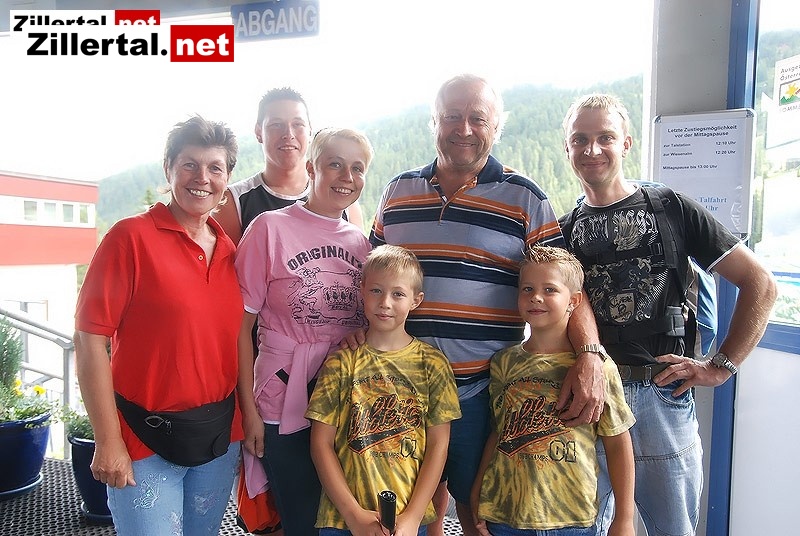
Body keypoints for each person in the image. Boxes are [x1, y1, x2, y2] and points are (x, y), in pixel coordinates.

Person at [368, 73, 606, 535]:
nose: (464, 128)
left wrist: (591, 356)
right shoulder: (397, 192)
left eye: (478, 118)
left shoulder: (524, 197)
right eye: (452, 116)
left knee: (478, 510)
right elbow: (372, 277)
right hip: (398, 389)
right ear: (433, 121)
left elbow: (565, 285)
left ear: (497, 127)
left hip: (479, 392)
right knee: (398, 505)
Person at [559, 93, 778, 536]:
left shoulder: (671, 209)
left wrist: (721, 366)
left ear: (626, 143)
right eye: (580, 139)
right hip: (592, 398)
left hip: (662, 396)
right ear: (567, 148)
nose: (592, 149)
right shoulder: (564, 231)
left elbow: (761, 284)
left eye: (605, 137)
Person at [74, 115, 244, 535]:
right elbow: (90, 338)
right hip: (141, 441)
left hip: (218, 438)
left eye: (215, 168)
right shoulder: (130, 238)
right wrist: (107, 440)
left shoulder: (229, 250)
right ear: (168, 168)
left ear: (226, 179)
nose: (202, 178)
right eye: (189, 165)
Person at [235, 127, 374, 536]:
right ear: (311, 168)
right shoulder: (268, 229)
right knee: (300, 517)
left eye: (357, 168)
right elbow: (239, 330)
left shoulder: (361, 244)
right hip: (282, 396)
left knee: (344, 516)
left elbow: (368, 321)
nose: (347, 177)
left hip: (345, 397)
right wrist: (248, 412)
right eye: (335, 164)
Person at [471, 245, 635, 536]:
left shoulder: (597, 370)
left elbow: (618, 443)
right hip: (505, 517)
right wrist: (478, 492)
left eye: (549, 290)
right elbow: (498, 432)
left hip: (571, 520)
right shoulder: (503, 363)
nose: (536, 297)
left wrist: (624, 518)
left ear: (573, 300)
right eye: (527, 289)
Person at [306, 245, 462, 536]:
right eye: (376, 291)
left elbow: (438, 445)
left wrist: (413, 516)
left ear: (416, 300)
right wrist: (354, 515)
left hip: (410, 519)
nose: (385, 303)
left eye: (398, 294)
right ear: (362, 291)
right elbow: (320, 443)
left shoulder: (433, 364)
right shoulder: (340, 363)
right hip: (343, 521)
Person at [214, 87, 363, 245]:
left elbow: (357, 258)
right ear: (258, 132)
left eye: (298, 124)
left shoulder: (341, 197)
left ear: (310, 131)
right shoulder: (234, 201)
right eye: (276, 125)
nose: (288, 134)